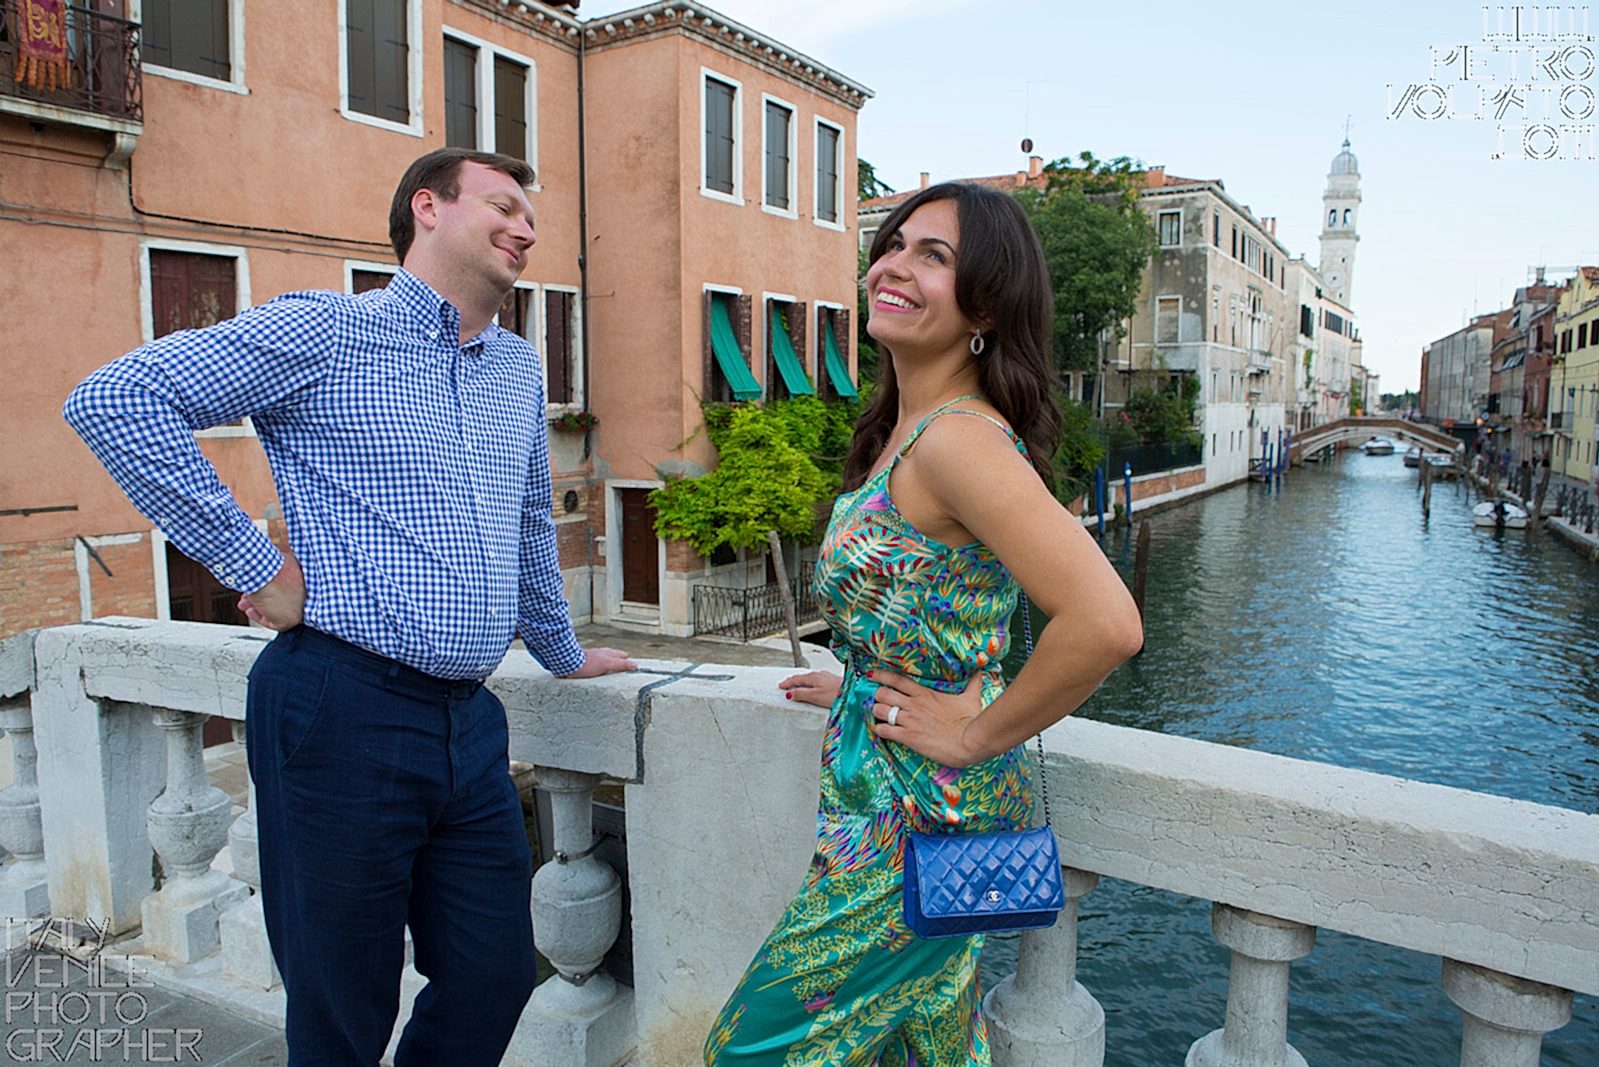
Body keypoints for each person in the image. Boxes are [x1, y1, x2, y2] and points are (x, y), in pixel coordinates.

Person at [64, 148, 635, 1067]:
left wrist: (561, 649)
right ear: (428, 209)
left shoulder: (519, 370)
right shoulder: (326, 332)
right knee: (341, 1008)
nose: (526, 228)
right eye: (503, 205)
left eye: (531, 216)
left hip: (469, 723)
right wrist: (253, 564)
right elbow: (119, 400)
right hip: (339, 707)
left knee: (494, 972)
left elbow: (531, 517)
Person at [703, 182, 1144, 1066]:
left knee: (745, 1050)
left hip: (922, 813)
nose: (895, 265)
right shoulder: (910, 429)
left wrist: (978, 733)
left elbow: (1106, 622)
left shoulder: (957, 440)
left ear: (983, 306)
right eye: (893, 244)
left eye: (932, 255)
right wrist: (860, 683)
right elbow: (931, 603)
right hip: (899, 789)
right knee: (936, 1037)